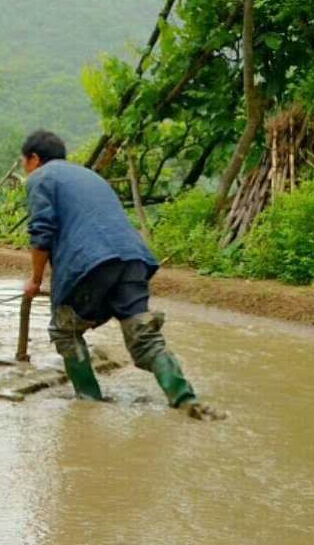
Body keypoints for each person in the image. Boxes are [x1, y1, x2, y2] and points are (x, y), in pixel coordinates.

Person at [19, 128, 217, 418]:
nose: (25, 169)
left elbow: (41, 233)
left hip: (90, 262)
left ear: (34, 159)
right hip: (133, 259)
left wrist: (35, 281)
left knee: (64, 330)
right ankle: (185, 398)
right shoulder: (90, 176)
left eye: (24, 162)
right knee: (144, 338)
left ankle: (88, 404)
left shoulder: (41, 178)